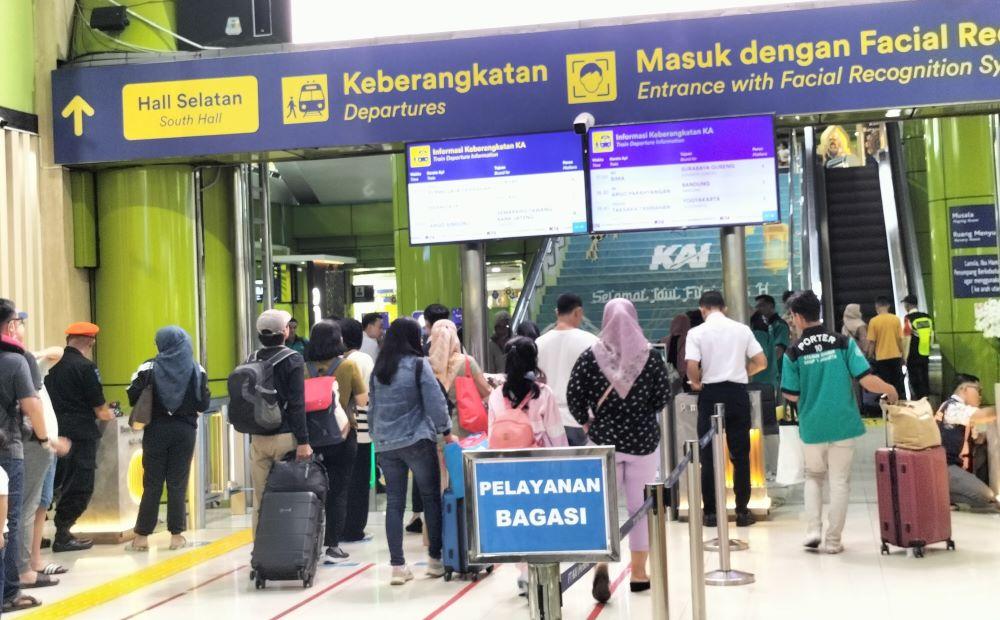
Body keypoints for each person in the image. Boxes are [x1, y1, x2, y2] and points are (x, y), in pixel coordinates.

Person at [568, 299, 671, 601]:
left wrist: (589, 423)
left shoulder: (590, 357)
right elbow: (662, 396)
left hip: (603, 443)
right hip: (642, 442)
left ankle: (602, 564)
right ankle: (639, 573)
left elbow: (574, 396)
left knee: (604, 507)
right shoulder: (650, 357)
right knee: (640, 508)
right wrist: (639, 414)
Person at [781, 291, 898, 554]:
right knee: (840, 482)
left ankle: (813, 531)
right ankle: (833, 541)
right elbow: (866, 379)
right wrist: (890, 389)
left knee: (814, 476)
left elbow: (790, 393)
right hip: (843, 422)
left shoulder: (793, 351)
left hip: (812, 424)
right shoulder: (842, 342)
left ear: (798, 317)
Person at [368, 318, 453, 586]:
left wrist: (377, 436)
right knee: (430, 499)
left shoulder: (379, 369)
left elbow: (372, 408)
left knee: (394, 504)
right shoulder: (418, 365)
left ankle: (397, 566)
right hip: (416, 439)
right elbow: (435, 401)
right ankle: (435, 560)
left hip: (386, 443)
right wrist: (446, 430)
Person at [488, 336, 567, 596]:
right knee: (541, 518)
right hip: (539, 466)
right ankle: (541, 570)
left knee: (518, 519)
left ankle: (523, 573)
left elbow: (492, 436)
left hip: (508, 468)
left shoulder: (497, 396)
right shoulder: (543, 393)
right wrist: (564, 463)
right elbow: (556, 434)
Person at [685, 291, 767, 528]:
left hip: (710, 395)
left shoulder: (696, 332)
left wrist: (697, 382)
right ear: (725, 308)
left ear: (702, 310)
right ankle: (742, 511)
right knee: (740, 455)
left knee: (708, 456)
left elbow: (691, 364)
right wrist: (743, 374)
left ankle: (710, 513)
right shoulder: (742, 329)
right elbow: (762, 361)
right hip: (737, 395)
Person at [127, 326, 210, 552]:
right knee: (177, 482)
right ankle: (176, 536)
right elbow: (203, 402)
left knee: (151, 483)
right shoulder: (196, 368)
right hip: (185, 431)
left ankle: (142, 537)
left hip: (156, 430)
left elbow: (132, 394)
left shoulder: (149, 366)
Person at [45, 321, 113, 555]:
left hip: (52, 435)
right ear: (90, 341)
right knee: (80, 486)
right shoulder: (86, 367)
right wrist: (108, 413)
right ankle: (63, 534)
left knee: (50, 485)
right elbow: (99, 408)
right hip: (81, 436)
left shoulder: (51, 367)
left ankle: (31, 536)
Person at [0, 302, 49, 613]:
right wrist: (46, 440)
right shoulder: (15, 362)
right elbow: (32, 406)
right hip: (8, 451)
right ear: (10, 327)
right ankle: (8, 592)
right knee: (8, 521)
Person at [305, 320, 367, 562]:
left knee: (312, 490)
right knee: (339, 491)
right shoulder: (348, 366)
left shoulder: (304, 368)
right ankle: (333, 545)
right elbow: (363, 401)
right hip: (342, 436)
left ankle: (310, 541)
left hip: (311, 438)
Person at [247, 310, 312, 533]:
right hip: (286, 437)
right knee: (288, 498)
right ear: (284, 332)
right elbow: (297, 403)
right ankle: (287, 550)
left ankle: (260, 551)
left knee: (261, 499)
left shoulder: (250, 359)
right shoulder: (293, 359)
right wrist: (303, 441)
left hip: (257, 438)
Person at [20, 348, 70, 587]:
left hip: (48, 444)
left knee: (42, 503)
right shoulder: (16, 365)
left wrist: (32, 353)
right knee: (28, 508)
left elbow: (58, 351)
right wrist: (45, 440)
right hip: (37, 443)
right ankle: (25, 565)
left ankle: (35, 560)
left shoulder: (30, 363)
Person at [536, 293, 599, 447]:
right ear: (578, 312)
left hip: (547, 421)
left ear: (557, 313)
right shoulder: (592, 342)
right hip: (581, 420)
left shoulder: (538, 343)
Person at [936, 375, 1000, 512]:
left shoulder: (952, 408)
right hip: (947, 467)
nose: (980, 396)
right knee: (986, 497)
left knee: (983, 448)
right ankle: (945, 497)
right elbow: (983, 415)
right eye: (978, 390)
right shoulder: (953, 407)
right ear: (964, 389)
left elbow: (977, 439)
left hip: (953, 466)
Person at [338, 318, 375, 542]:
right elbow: (367, 397)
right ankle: (355, 528)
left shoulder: (342, 361)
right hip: (362, 427)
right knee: (360, 480)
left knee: (346, 481)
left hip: (344, 427)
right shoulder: (363, 359)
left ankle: (343, 526)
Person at [428, 319, 491, 436]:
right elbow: (486, 392)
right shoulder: (467, 362)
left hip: (435, 432)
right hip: (465, 431)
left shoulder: (426, 366)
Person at [866, 296, 906, 398]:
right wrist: (903, 355)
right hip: (896, 356)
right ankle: (901, 404)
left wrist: (869, 356)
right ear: (888, 306)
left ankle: (889, 407)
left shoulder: (873, 321)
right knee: (898, 383)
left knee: (886, 385)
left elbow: (872, 343)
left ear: (877, 306)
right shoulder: (895, 319)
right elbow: (900, 340)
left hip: (881, 358)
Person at [749, 294, 790, 393]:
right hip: (763, 375)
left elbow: (778, 351)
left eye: (761, 305)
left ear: (771, 306)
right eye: (757, 306)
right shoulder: (762, 326)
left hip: (776, 375)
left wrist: (766, 364)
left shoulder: (779, 325)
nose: (758, 309)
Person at [901, 295, 933, 400]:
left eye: (905, 304)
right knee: (925, 377)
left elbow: (906, 338)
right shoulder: (927, 317)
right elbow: (931, 335)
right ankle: (927, 398)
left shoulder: (908, 318)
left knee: (915, 379)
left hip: (913, 354)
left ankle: (919, 400)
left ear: (908, 305)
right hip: (925, 352)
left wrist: (904, 357)